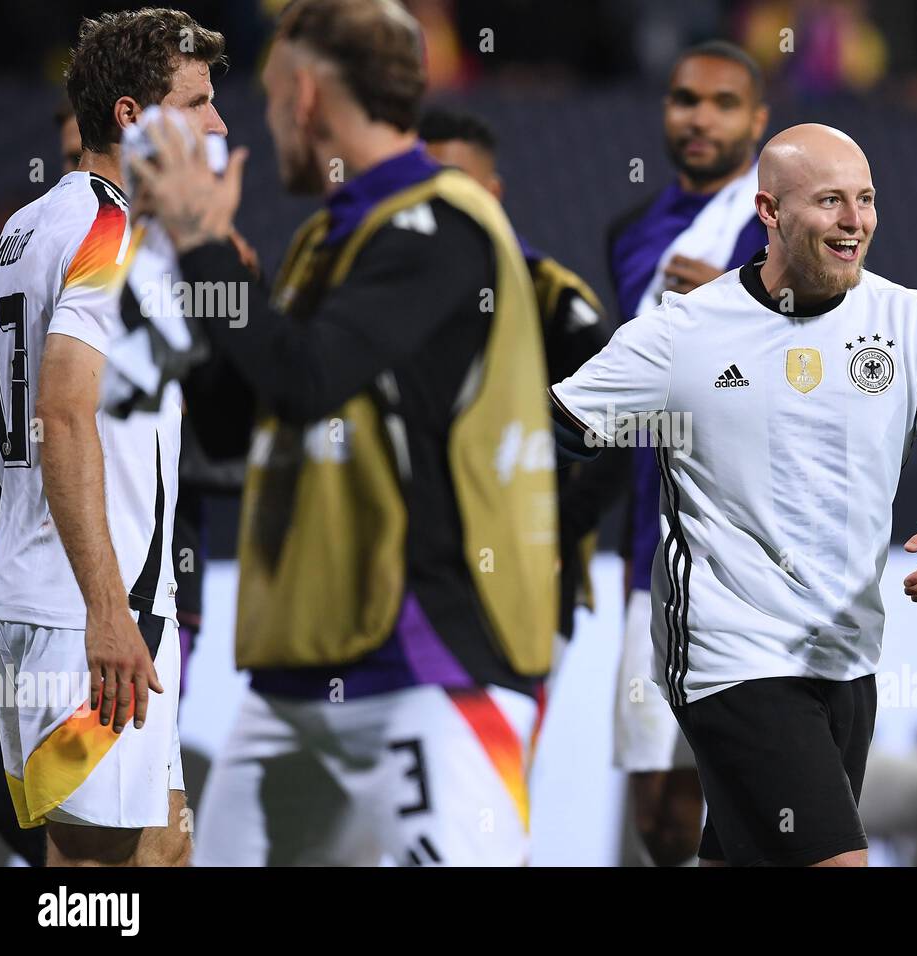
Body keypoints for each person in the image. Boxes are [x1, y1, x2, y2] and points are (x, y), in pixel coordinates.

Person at [133, 0, 557, 866]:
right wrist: (185, 266)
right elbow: (236, 418)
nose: (259, 117)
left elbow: (307, 378)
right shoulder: (329, 238)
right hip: (301, 667)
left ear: (311, 96)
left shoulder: (442, 225)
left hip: (431, 668)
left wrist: (204, 243)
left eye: (273, 92)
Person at [551, 123, 917, 867]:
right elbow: (558, 427)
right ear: (770, 212)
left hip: (845, 653)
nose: (855, 221)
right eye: (832, 201)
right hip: (729, 653)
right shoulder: (689, 331)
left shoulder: (905, 322)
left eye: (866, 200)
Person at [0, 7, 230, 867]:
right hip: (87, 610)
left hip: (63, 593)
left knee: (163, 849)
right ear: (132, 115)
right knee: (93, 876)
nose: (216, 123)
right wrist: (108, 611)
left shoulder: (26, 226)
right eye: (196, 101)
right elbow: (60, 411)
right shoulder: (109, 232)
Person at [605, 39, 770, 866]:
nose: (699, 117)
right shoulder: (631, 234)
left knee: (744, 799)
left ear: (759, 120)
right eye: (684, 99)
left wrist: (733, 311)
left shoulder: (791, 231)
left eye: (722, 102)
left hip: (754, 559)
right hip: (653, 551)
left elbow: (826, 383)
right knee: (661, 818)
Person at [418, 107, 619, 664]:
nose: (440, 206)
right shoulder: (387, 295)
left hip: (525, 577)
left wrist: (549, 530)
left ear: (494, 192)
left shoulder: (555, 300)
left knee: (500, 748)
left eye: (456, 187)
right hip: (415, 577)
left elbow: (622, 435)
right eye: (423, 187)